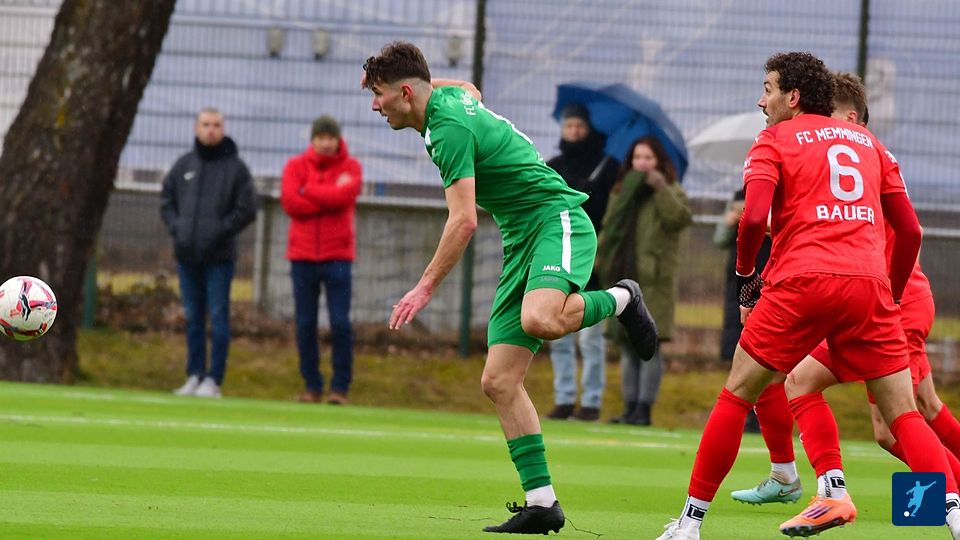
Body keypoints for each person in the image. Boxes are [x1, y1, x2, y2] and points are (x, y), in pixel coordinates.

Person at [656, 53, 959, 540]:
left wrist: (745, 275)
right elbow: (911, 230)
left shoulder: (775, 139)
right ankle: (934, 513)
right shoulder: (871, 144)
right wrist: (890, 294)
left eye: (768, 89)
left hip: (806, 284)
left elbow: (753, 219)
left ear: (793, 97)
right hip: (872, 290)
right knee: (903, 415)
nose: (761, 100)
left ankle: (689, 524)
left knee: (737, 394)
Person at [362, 41, 657, 535]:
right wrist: (430, 84)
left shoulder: (447, 129)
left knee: (539, 318)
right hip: (522, 240)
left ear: (406, 93)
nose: (375, 105)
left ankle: (622, 297)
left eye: (378, 94)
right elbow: (469, 87)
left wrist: (424, 287)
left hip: (556, 220)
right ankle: (542, 503)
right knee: (498, 381)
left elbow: (462, 222)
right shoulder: (446, 100)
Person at [730, 72, 960, 516]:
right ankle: (809, 483)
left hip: (891, 300)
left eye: (825, 112)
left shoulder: (860, 153)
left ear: (850, 118)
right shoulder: (862, 156)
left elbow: (906, 231)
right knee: (916, 412)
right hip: (890, 298)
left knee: (894, 420)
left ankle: (831, 489)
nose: (814, 121)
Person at [161, 107, 257, 398]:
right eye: (206, 124)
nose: (211, 129)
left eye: (216, 124)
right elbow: (167, 201)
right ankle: (194, 374)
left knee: (218, 316)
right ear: (196, 128)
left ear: (223, 129)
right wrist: (178, 229)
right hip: (187, 255)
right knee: (193, 316)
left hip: (219, 258)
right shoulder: (184, 165)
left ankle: (213, 379)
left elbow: (246, 209)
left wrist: (218, 231)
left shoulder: (235, 168)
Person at [597, 135, 692, 426]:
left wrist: (661, 189)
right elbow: (610, 227)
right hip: (624, 278)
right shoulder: (621, 191)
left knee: (650, 346)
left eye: (648, 158)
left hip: (654, 282)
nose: (642, 163)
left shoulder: (672, 190)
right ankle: (629, 408)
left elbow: (679, 218)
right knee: (626, 345)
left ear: (659, 161)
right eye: (638, 158)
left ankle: (644, 409)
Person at [543, 103, 619, 422]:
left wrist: (602, 247)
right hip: (559, 256)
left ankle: (591, 402)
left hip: (594, 259)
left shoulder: (608, 166)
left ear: (588, 130)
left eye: (579, 126)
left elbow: (614, 214)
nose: (574, 132)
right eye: (569, 126)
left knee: (590, 337)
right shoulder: (553, 166)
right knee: (556, 331)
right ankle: (563, 399)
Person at [280, 115, 362, 405]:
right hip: (302, 257)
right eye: (321, 138)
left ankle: (340, 388)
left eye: (331, 138)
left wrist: (309, 191)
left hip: (338, 256)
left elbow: (344, 197)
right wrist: (329, 195)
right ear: (312, 140)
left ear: (338, 140)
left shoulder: (351, 167)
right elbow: (291, 202)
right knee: (305, 324)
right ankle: (312, 385)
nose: (326, 143)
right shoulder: (294, 166)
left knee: (340, 323)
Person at [714, 188, 772, 434]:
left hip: (770, 282)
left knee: (768, 355)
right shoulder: (739, 195)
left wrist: (763, 222)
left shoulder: (784, 196)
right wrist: (731, 222)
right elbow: (719, 239)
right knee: (740, 349)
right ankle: (745, 412)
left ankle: (762, 415)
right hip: (739, 286)